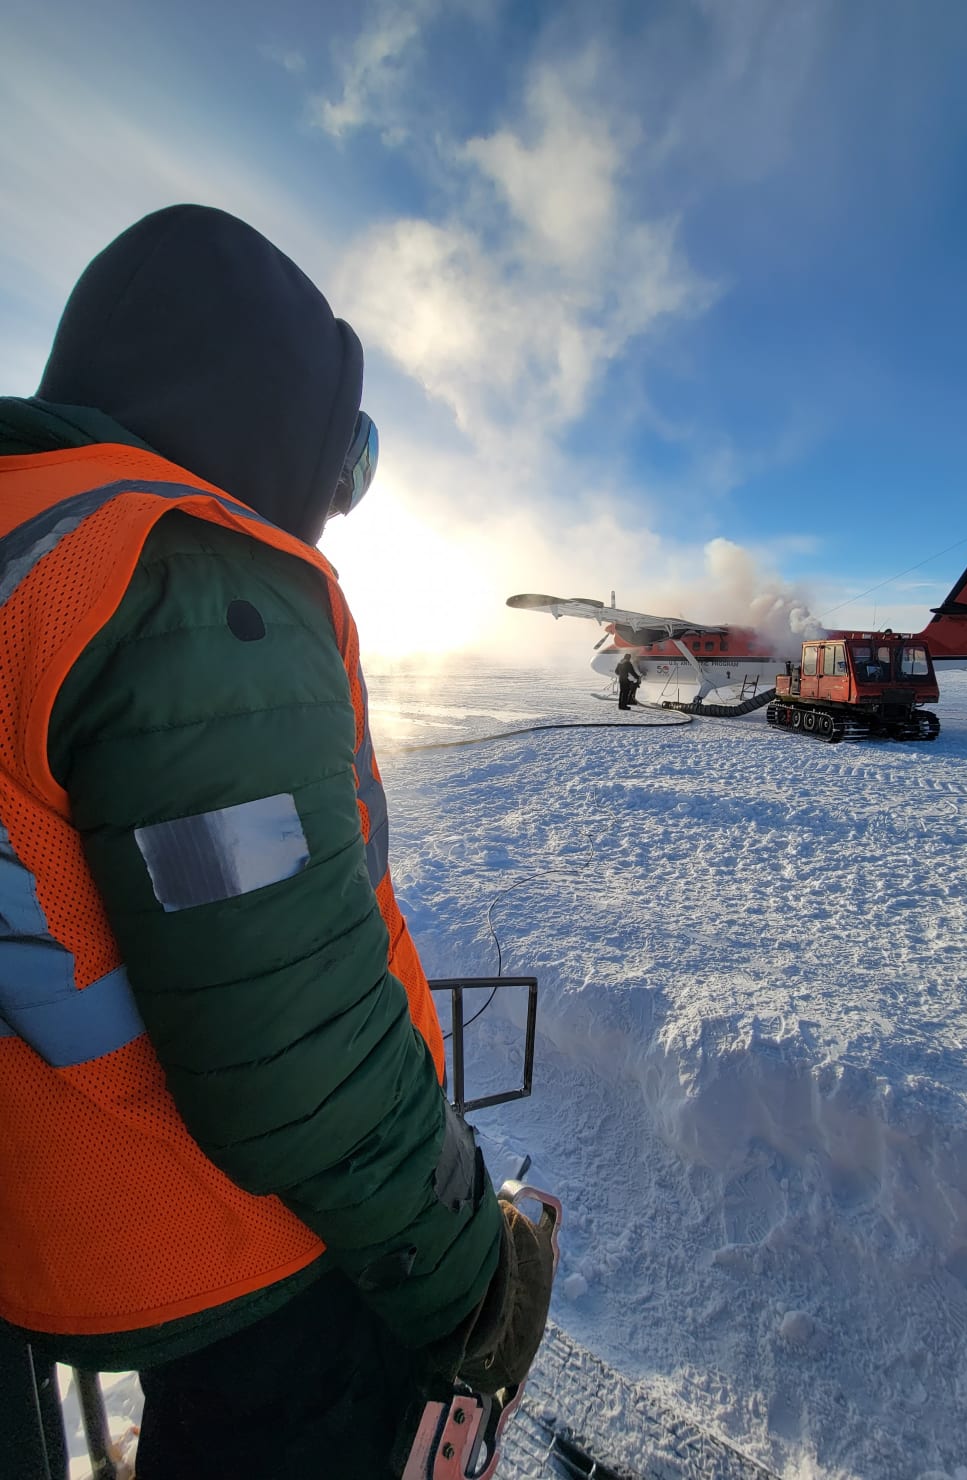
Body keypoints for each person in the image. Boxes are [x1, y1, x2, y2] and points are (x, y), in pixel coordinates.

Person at [0, 205, 553, 1478]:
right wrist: (474, 1277)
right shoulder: (183, 577)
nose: (338, 502)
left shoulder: (30, 547)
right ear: (255, 407)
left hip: (68, 1223)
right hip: (243, 1250)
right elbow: (298, 1047)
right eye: (342, 451)